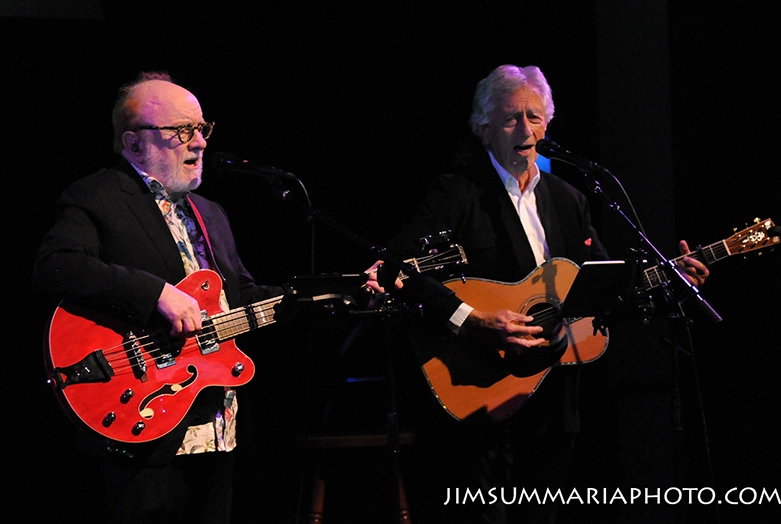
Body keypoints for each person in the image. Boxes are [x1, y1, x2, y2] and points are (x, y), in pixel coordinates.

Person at [366, 64, 709, 523]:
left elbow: (603, 291)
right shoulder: (457, 194)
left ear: (547, 124)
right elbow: (392, 269)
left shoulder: (570, 199)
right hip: (480, 393)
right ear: (484, 129)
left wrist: (669, 280)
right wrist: (473, 320)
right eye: (511, 118)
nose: (525, 129)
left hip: (552, 399)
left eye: (534, 117)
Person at [32, 72, 285, 524]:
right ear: (134, 143)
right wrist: (156, 295)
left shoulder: (211, 212)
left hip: (217, 425)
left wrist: (333, 290)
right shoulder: (98, 195)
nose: (200, 143)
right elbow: (57, 265)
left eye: (202, 129)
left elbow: (240, 297)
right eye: (182, 131)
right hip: (142, 423)